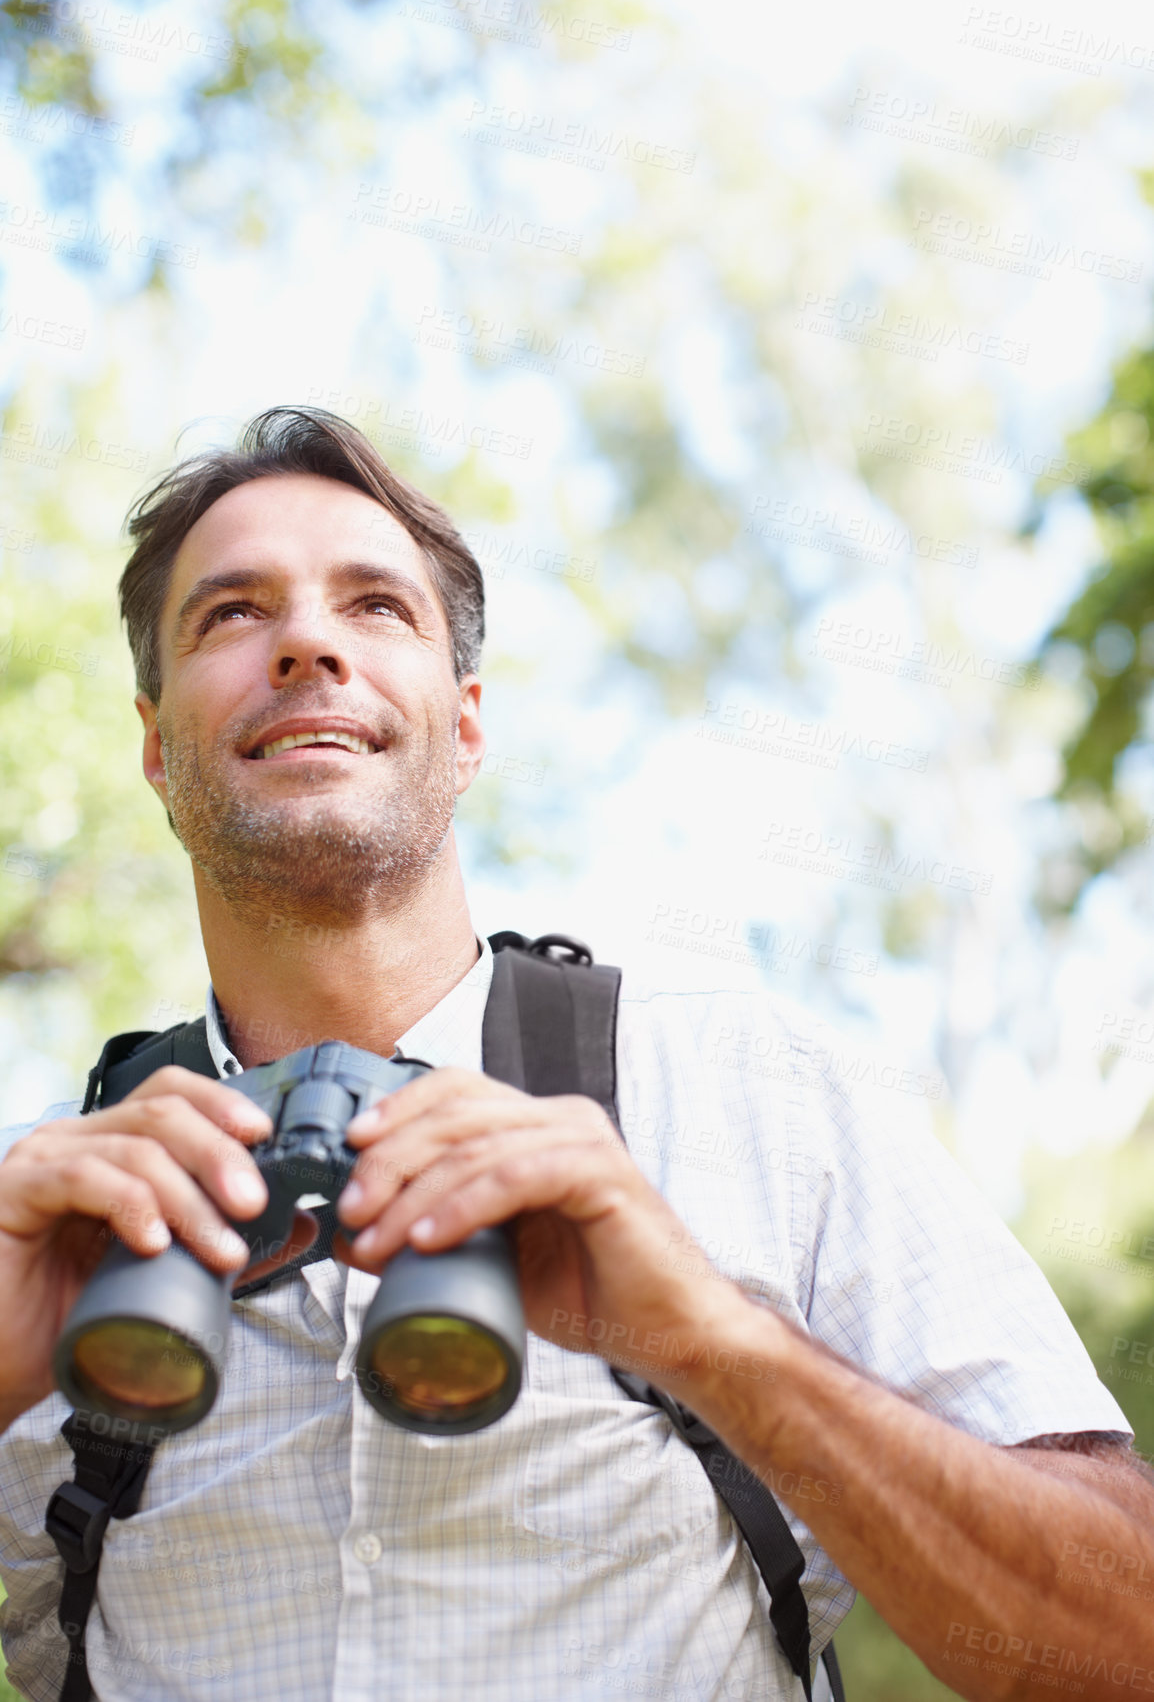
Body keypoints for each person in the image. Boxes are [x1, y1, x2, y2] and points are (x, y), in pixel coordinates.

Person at [0, 405, 1151, 1702]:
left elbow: (1123, 1652)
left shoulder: (745, 1092)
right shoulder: (43, 1207)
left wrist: (713, 1343)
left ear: (468, 725)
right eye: (231, 614)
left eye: (375, 607)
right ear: (155, 746)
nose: (307, 641)